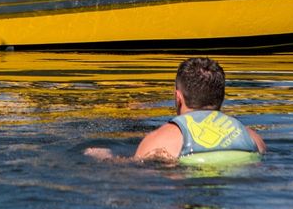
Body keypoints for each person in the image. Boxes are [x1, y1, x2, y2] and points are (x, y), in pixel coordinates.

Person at [86, 57, 266, 163]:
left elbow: (134, 173)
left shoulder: (162, 139)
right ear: (222, 96)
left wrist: (106, 158)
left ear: (178, 98)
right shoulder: (252, 138)